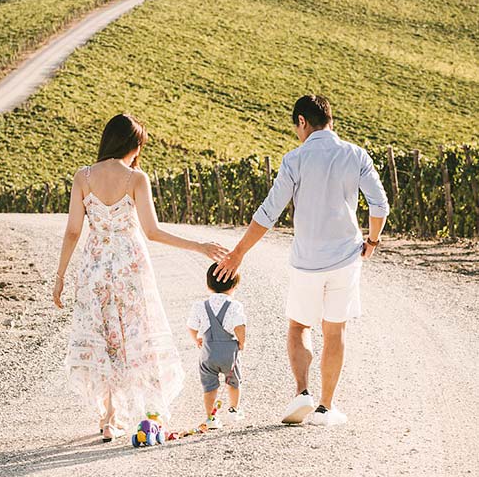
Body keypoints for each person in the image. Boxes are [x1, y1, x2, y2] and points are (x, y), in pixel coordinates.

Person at [52, 113, 228, 442]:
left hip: (95, 267)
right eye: (139, 147)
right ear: (132, 145)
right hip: (130, 268)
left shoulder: (83, 177)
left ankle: (109, 418)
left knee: (104, 337)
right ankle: (146, 411)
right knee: (137, 335)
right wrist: (199, 246)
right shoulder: (136, 178)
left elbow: (74, 230)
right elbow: (152, 231)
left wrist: (61, 274)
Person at [216, 94, 389, 427]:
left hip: (306, 261)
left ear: (301, 122)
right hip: (345, 259)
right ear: (330, 120)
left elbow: (268, 212)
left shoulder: (294, 160)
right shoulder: (356, 155)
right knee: (334, 330)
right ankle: (326, 408)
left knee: (299, 326)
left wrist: (238, 253)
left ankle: (302, 392)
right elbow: (379, 206)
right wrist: (372, 241)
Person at [187, 263, 246, 429]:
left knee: (209, 386)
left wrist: (196, 339)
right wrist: (242, 342)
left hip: (208, 352)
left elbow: (191, 326)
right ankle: (234, 410)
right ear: (234, 286)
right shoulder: (235, 306)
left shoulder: (200, 306)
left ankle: (211, 418)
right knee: (234, 382)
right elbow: (239, 326)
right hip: (229, 353)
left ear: (208, 285)